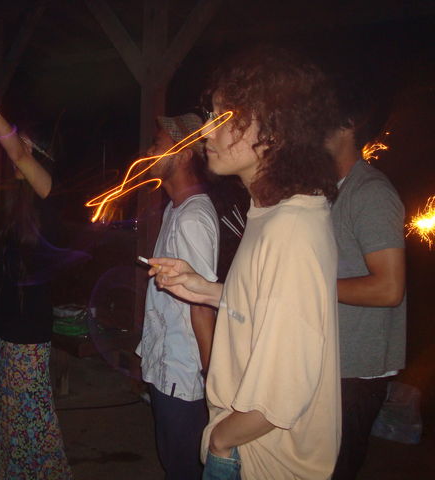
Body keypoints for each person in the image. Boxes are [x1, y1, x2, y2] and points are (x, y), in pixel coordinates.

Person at [148, 46, 342, 479]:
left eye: (226, 119)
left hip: (258, 458)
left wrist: (221, 439)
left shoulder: (292, 230)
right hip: (248, 448)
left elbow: (284, 395)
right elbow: (267, 307)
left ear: (274, 131)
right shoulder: (271, 212)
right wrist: (205, 289)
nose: (207, 132)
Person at [0, 78, 72, 480]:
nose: (12, 150)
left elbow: (16, 151)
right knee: (2, 409)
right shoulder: (17, 199)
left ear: (38, 153)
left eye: (22, 144)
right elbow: (10, 245)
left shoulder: (51, 191)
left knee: (31, 415)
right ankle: (3, 471)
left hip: (27, 323)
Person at [136, 113, 219, 479]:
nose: (149, 151)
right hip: (167, 367)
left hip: (183, 376)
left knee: (183, 468)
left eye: (158, 144)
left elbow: (202, 304)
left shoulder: (192, 218)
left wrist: (212, 380)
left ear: (184, 155)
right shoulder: (177, 208)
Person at [326, 96, 406, 480]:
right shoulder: (331, 191)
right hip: (336, 361)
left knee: (334, 470)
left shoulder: (370, 192)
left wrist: (311, 288)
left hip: (357, 371)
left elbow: (389, 288)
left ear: (348, 126)